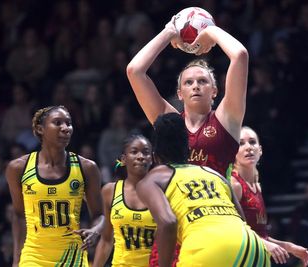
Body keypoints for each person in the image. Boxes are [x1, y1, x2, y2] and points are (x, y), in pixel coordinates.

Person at [136, 112, 272, 266]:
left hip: (208, 251)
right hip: (253, 250)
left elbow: (168, 223)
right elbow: (242, 221)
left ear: (155, 156)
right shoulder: (215, 175)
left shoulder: (152, 179)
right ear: (188, 150)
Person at [126, 17, 248, 177]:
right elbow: (134, 71)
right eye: (188, 82)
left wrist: (210, 31)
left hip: (217, 201)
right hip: (176, 202)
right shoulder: (169, 122)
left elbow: (240, 55)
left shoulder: (227, 117)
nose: (195, 86)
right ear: (179, 94)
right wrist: (169, 32)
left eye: (203, 81)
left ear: (214, 91)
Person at [5, 105, 104, 266]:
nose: (66, 128)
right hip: (34, 255)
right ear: (40, 129)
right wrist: (17, 260)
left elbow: (100, 215)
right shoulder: (18, 168)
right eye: (58, 123)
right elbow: (18, 215)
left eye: (69, 123)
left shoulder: (87, 167)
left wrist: (96, 230)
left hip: (72, 256)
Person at [231, 126, 308, 266]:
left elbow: (260, 235)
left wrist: (288, 247)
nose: (248, 147)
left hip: (258, 260)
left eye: (252, 142)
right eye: (241, 143)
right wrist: (267, 245)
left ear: (260, 150)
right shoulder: (235, 185)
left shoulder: (256, 186)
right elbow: (233, 231)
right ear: (233, 152)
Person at [91, 134, 156, 267]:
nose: (140, 156)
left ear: (152, 159)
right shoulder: (110, 191)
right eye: (134, 152)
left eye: (145, 152)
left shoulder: (164, 191)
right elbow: (106, 240)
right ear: (123, 159)